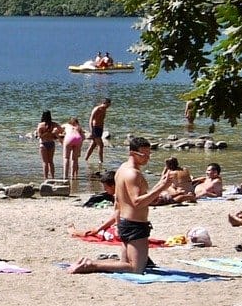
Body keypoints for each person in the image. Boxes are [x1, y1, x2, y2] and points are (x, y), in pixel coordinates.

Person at [68, 137, 167, 274]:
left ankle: (89, 263)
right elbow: (137, 202)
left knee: (125, 264)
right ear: (132, 153)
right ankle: (92, 264)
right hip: (135, 224)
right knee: (136, 268)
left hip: (125, 222)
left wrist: (160, 184)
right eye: (144, 155)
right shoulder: (133, 174)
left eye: (149, 154)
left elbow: (119, 200)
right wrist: (162, 187)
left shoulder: (122, 169)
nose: (147, 158)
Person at [84, 98, 111, 163]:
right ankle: (100, 161)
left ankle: (85, 159)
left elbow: (101, 120)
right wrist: (91, 131)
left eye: (109, 105)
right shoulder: (97, 109)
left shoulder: (104, 109)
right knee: (101, 145)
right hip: (95, 128)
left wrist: (102, 128)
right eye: (108, 105)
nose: (108, 106)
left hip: (100, 129)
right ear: (104, 103)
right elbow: (91, 120)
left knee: (93, 144)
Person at [34, 111, 58, 180]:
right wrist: (53, 134)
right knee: (51, 162)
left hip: (43, 144)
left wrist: (46, 133)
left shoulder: (40, 125)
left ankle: (46, 178)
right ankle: (53, 177)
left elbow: (39, 136)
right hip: (51, 143)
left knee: (45, 162)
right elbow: (61, 129)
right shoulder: (54, 124)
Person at [62, 117, 84, 183]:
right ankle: (72, 176)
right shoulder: (79, 127)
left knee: (66, 158)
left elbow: (57, 129)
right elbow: (83, 137)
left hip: (69, 138)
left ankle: (65, 176)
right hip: (78, 139)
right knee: (74, 159)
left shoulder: (66, 125)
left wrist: (59, 136)